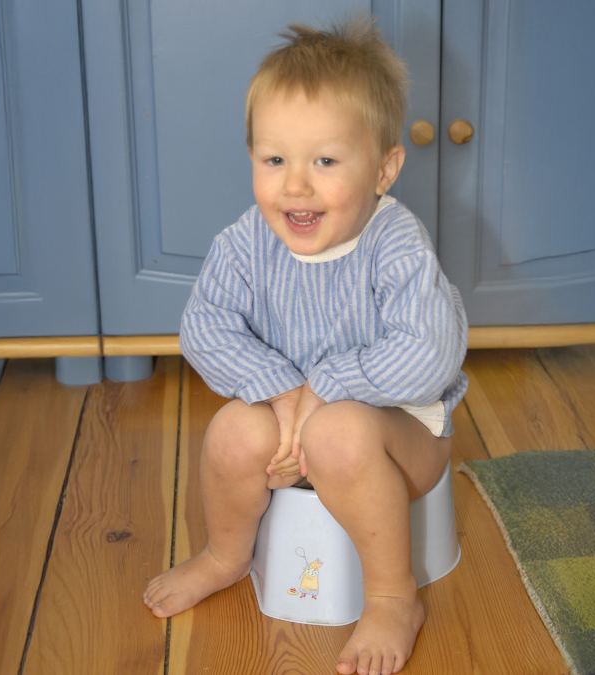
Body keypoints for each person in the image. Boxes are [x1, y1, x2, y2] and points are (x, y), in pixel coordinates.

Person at [143, 18, 468, 675]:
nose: (295, 185)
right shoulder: (245, 243)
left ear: (384, 169)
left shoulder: (396, 243)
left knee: (340, 432)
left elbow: (430, 352)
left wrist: (327, 387)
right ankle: (226, 554)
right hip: (295, 424)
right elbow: (204, 327)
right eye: (274, 160)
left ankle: (391, 595)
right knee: (232, 433)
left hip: (401, 438)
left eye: (324, 161)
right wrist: (284, 390)